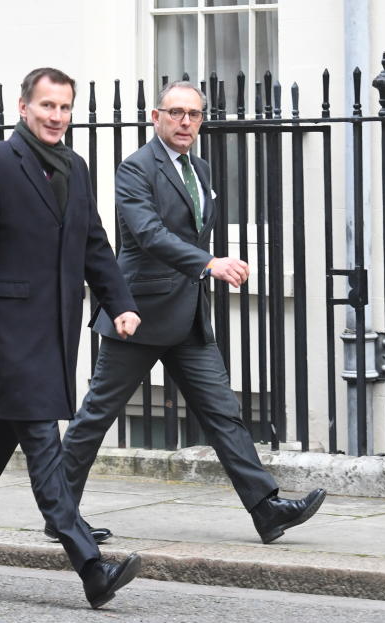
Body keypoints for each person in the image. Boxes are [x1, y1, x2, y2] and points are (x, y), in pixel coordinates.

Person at [50, 81, 326, 546]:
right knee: (97, 414)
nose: (185, 122)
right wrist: (210, 263)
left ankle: (266, 509)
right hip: (137, 314)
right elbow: (149, 234)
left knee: (223, 412)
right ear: (155, 117)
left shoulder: (198, 167)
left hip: (187, 314)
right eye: (176, 112)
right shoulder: (135, 168)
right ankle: (59, 513)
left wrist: (207, 263)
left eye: (194, 114)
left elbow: (191, 231)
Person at [0, 67, 143, 610]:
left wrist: (121, 304)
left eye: (64, 108)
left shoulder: (76, 167)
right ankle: (91, 566)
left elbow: (93, 243)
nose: (56, 116)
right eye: (46, 106)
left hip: (53, 333)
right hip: (5, 336)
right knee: (44, 445)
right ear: (24, 108)